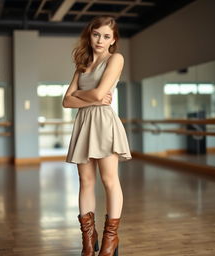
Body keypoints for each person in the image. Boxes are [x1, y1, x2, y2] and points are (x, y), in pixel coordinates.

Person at [62, 15, 131, 256]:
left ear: (113, 40)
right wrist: (90, 96)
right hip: (84, 123)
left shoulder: (116, 59)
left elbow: (101, 93)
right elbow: (65, 101)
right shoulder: (82, 63)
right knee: (85, 182)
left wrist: (83, 94)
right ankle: (88, 242)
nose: (100, 40)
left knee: (109, 180)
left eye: (106, 36)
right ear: (89, 35)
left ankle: (110, 240)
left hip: (103, 122)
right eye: (96, 34)